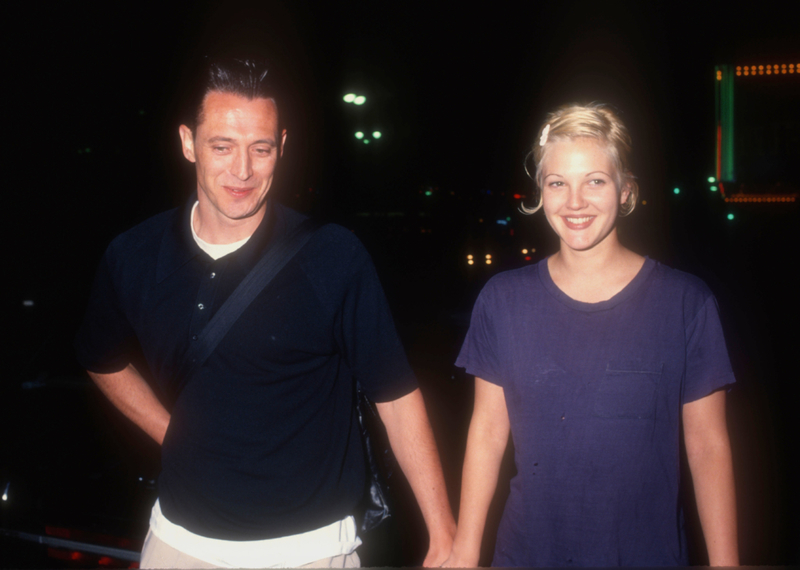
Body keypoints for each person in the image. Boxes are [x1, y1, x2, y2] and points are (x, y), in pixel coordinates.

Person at [75, 56, 455, 568]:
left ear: (282, 147)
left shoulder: (333, 257)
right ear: (188, 143)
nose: (243, 170)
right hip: (178, 544)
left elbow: (397, 398)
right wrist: (172, 432)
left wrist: (445, 536)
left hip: (311, 550)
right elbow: (100, 356)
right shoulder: (134, 255)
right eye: (222, 146)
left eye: (260, 148)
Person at [445, 103, 738, 567]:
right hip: (527, 555)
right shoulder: (502, 300)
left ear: (626, 191)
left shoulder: (686, 302)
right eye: (557, 183)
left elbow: (708, 447)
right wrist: (464, 549)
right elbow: (486, 433)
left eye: (595, 181)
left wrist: (727, 565)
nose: (574, 201)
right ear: (539, 193)